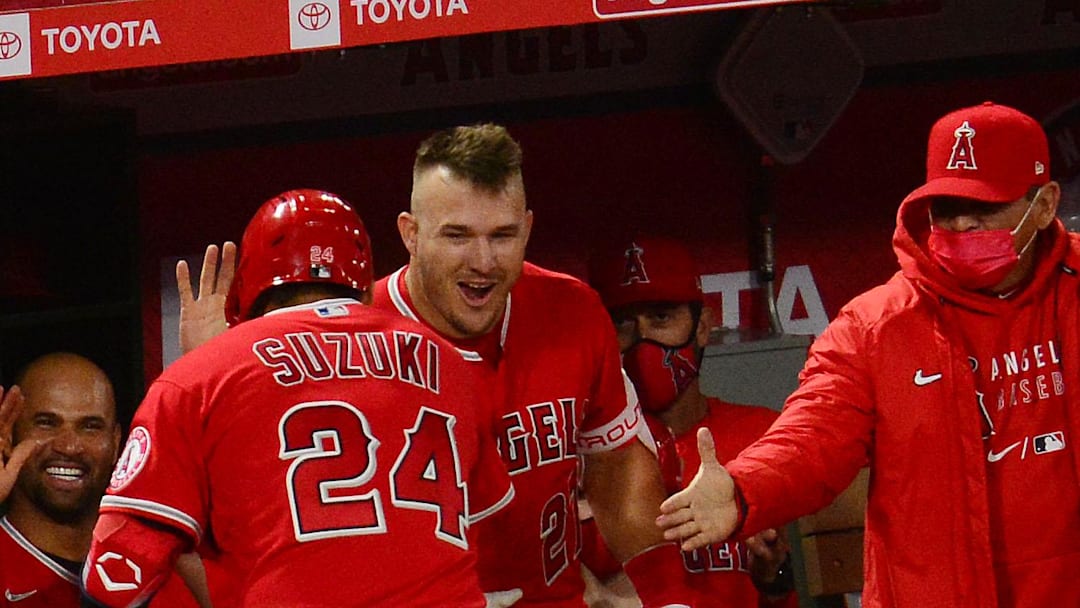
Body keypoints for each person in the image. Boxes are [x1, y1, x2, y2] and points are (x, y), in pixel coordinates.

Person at [656, 101, 1080, 608]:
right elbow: (814, 437)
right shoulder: (875, 327)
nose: (962, 224)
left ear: (1045, 203)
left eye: (986, 208)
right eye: (946, 208)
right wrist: (744, 489)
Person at [84, 189, 514, 607]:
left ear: (249, 286)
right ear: (365, 287)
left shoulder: (196, 380)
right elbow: (481, 523)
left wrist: (204, 371)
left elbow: (113, 581)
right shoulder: (452, 364)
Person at [374, 124, 692, 606]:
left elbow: (617, 465)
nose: (483, 261)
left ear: (526, 229)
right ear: (411, 235)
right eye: (457, 236)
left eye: (502, 235)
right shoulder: (354, 335)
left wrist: (666, 596)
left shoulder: (572, 312)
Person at [585, 235, 796, 608]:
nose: (643, 340)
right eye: (622, 324)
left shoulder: (767, 438)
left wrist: (775, 577)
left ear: (702, 326)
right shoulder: (583, 463)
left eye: (661, 317)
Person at [0, 353, 120, 607]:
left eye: (90, 426)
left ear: (116, 443)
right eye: (46, 423)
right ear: (9, 435)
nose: (69, 446)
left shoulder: (150, 573)